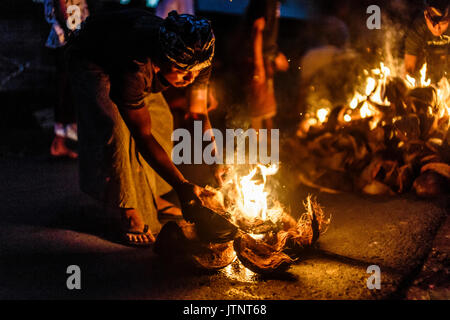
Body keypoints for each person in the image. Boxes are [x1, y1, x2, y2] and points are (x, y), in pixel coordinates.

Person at [67, 10, 217, 246]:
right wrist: (182, 186)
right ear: (162, 60)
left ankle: (151, 194)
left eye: (194, 72)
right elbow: (142, 136)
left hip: (133, 61)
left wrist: (215, 160)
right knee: (115, 130)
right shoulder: (134, 67)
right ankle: (126, 207)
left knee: (161, 121)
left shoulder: (198, 57)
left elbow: (198, 113)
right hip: (93, 60)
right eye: (181, 71)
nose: (189, 78)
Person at [44, 0, 90, 158]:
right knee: (66, 87)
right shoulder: (70, 32)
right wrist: (74, 32)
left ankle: (61, 141)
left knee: (67, 87)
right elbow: (61, 4)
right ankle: (59, 142)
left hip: (68, 35)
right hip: (66, 38)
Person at [243, 0, 289, 130]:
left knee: (267, 109)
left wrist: (274, 55)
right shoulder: (266, 3)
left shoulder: (273, 2)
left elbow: (267, 36)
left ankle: (270, 147)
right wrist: (258, 66)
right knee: (258, 110)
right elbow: (257, 30)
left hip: (265, 60)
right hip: (256, 60)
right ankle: (256, 146)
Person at [404, 0, 450, 82]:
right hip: (424, 79)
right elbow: (409, 71)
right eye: (433, 22)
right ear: (426, 15)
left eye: (443, 23)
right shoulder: (418, 27)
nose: (436, 28)